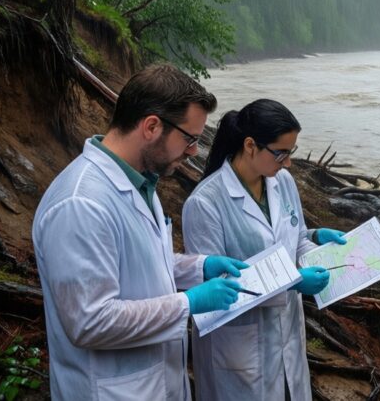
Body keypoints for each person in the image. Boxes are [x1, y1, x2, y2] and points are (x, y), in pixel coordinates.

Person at [32, 63, 254, 401]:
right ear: (151, 126)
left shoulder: (139, 182)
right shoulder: (81, 204)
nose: (194, 151)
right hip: (111, 390)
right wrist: (188, 303)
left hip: (154, 383)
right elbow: (91, 321)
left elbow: (135, 261)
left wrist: (198, 267)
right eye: (190, 139)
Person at [183, 98, 347, 401]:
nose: (288, 163)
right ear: (250, 146)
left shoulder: (281, 182)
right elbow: (215, 289)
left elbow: (294, 239)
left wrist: (317, 241)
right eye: (281, 153)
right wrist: (294, 282)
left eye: (291, 152)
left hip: (287, 340)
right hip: (239, 354)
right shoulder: (205, 203)